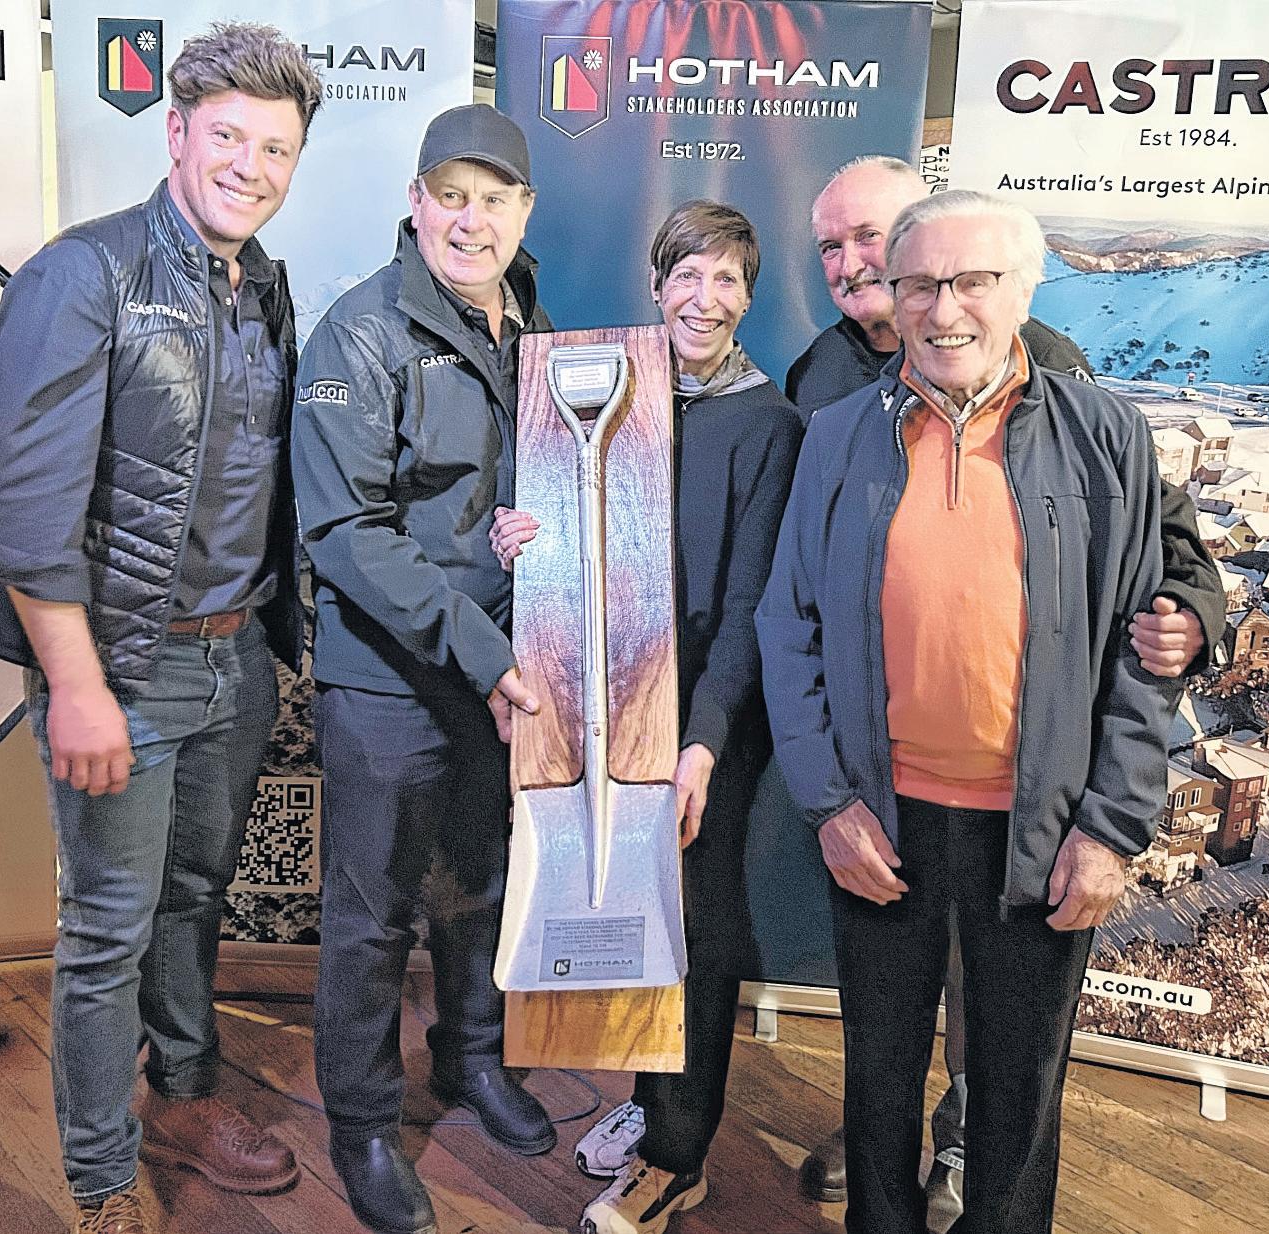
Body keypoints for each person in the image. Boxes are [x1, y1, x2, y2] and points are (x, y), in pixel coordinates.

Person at [786, 156, 1226, 1229]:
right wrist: (828, 802)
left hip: (1043, 826)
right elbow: (787, 624)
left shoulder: (1104, 433)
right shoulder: (837, 427)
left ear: (1024, 290)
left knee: (1020, 1086)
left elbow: (1143, 643)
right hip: (882, 818)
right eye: (920, 285)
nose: (944, 309)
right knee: (877, 1071)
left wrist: (1111, 827)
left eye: (973, 281)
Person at [0, 23, 321, 1233]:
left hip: (238, 656)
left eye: (275, 149)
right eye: (229, 136)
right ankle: (101, 1175)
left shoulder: (264, 283)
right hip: (124, 664)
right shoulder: (84, 274)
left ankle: (181, 1094)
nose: (250, 167)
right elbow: (26, 516)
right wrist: (77, 686)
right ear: (175, 133)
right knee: (105, 930)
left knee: (192, 899)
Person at [489, 201, 805, 1234]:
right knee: (626, 898)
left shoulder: (769, 425)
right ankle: (646, 1092)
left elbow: (754, 600)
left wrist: (704, 740)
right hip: (610, 702)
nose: (705, 300)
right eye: (687, 277)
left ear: (748, 295)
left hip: (709, 716)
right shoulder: (617, 400)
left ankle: (676, 1153)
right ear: (658, 286)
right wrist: (515, 538)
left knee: (694, 924)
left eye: (728, 280)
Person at [290, 104, 556, 1234]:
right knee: (371, 915)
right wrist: (487, 653)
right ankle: (361, 1122)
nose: (471, 220)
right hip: (390, 677)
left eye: (494, 199)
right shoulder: (358, 334)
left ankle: (471, 1056)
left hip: (497, 671)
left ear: (524, 211)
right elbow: (348, 532)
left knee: (478, 884)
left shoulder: (531, 323)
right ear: (415, 202)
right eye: (451, 196)